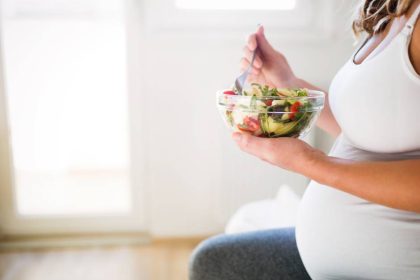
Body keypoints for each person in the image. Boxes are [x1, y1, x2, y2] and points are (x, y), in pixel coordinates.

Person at [189, 0, 420, 279]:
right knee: (214, 261)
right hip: (335, 257)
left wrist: (309, 162)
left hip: (393, 266)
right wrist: (288, 82)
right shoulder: (394, 8)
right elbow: (377, 126)